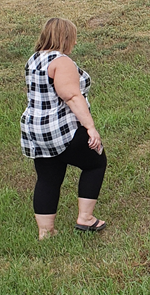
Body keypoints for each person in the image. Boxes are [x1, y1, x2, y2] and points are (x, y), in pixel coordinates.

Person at [21, 17, 108, 239]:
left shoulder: (34, 59)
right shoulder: (62, 62)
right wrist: (90, 127)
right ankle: (86, 218)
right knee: (96, 161)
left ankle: (45, 231)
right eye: (73, 38)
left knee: (48, 177)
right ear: (65, 38)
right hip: (61, 128)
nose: (75, 43)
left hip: (36, 129)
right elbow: (71, 96)